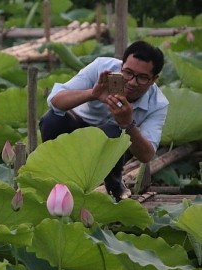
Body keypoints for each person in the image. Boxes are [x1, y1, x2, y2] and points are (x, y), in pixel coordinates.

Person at [39, 40, 169, 201]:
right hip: (77, 130)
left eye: (142, 77)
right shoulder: (102, 67)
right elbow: (55, 101)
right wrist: (92, 94)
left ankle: (114, 184)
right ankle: (55, 179)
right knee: (52, 119)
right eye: (128, 73)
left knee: (114, 130)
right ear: (121, 66)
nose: (132, 82)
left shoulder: (158, 104)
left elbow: (146, 155)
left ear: (154, 79)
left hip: (113, 145)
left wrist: (128, 123)